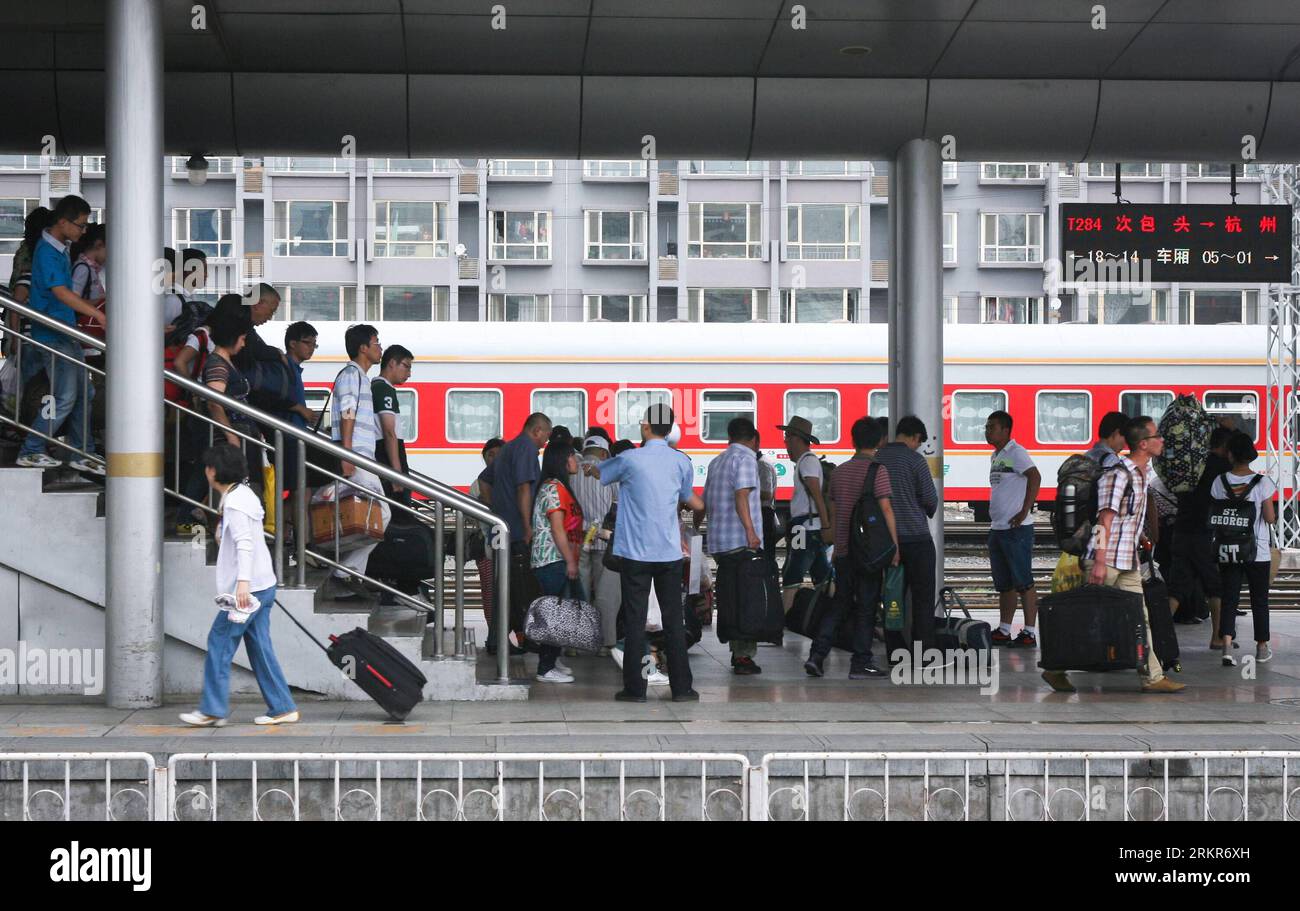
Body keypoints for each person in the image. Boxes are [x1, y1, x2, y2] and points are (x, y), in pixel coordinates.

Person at [1043, 416, 1185, 694]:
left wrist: (1140, 537)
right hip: (1105, 561)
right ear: (1143, 444)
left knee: (1140, 618)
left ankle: (1152, 677)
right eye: (1157, 437)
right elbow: (1103, 520)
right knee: (1087, 619)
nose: (1162, 440)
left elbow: (1125, 517)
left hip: (1127, 560)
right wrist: (1098, 561)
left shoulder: (1142, 475)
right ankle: (1054, 669)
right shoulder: (1118, 475)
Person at [584, 404, 704, 703]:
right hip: (669, 553)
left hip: (635, 554)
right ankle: (682, 689)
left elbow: (598, 472)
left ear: (647, 426)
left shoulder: (629, 459)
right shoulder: (681, 462)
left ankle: (635, 690)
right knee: (674, 621)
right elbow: (688, 498)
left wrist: (586, 467)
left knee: (636, 621)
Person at [179, 443, 298, 727]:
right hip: (262, 584)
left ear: (212, 471)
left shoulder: (234, 502)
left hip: (249, 591)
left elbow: (244, 544)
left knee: (219, 642)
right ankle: (282, 706)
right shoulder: (243, 495)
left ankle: (212, 709)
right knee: (259, 646)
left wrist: (242, 585)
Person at [803, 417, 899, 679]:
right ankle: (861, 662)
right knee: (867, 607)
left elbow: (835, 512)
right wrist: (895, 547)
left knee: (839, 604)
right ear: (879, 441)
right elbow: (886, 509)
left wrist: (835, 545)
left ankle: (816, 655)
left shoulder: (840, 472)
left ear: (853, 440)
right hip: (869, 553)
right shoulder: (878, 471)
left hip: (844, 551)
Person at [15, 195, 105, 474]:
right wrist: (99, 315)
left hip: (65, 331)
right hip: (52, 333)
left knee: (85, 392)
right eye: (80, 225)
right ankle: (32, 449)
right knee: (66, 395)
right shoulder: (47, 251)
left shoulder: (61, 248)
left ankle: (83, 452)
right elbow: (61, 293)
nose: (83, 231)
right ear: (63, 222)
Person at [326, 324, 391, 602]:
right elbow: (347, 412)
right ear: (363, 348)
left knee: (368, 517)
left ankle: (347, 571)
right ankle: (343, 572)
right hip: (358, 457)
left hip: (362, 457)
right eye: (376, 342)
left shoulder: (360, 377)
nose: (380, 348)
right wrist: (347, 454)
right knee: (381, 515)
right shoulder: (353, 375)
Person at [477, 412, 552, 652]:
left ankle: (496, 640)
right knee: (521, 589)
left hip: (502, 529)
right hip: (517, 532)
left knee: (504, 588)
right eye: (545, 437)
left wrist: (495, 511)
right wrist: (528, 526)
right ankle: (520, 639)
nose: (544, 444)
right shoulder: (526, 449)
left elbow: (484, 480)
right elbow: (523, 489)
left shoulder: (507, 449)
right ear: (537, 430)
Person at [872, 415, 940, 654]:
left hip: (888, 543)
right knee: (922, 601)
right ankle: (923, 653)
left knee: (892, 599)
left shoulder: (877, 459)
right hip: (918, 540)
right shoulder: (915, 460)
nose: (918, 446)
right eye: (918, 442)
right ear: (914, 437)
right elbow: (931, 500)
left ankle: (895, 652)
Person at [1210, 432, 1277, 665]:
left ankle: (1227, 646)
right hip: (1257, 550)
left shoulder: (1219, 482)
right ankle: (1261, 648)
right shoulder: (1263, 482)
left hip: (1228, 548)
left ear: (1230, 454)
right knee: (1260, 600)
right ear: (1251, 455)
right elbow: (1269, 518)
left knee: (1230, 598)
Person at [704, 417, 765, 675]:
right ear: (753, 439)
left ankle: (735, 649)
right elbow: (742, 495)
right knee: (747, 600)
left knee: (730, 597)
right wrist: (751, 532)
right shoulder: (747, 459)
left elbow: (705, 500)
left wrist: (697, 527)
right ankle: (743, 656)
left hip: (720, 543)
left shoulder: (716, 462)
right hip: (740, 542)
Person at [530, 429, 585, 683]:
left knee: (560, 612)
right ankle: (545, 668)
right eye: (573, 457)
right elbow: (557, 528)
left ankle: (551, 660)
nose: (577, 461)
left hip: (558, 558)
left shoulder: (560, 486)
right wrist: (571, 560)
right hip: (551, 559)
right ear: (563, 461)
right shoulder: (553, 488)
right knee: (554, 614)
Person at [1172, 425, 1232, 645]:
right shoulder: (1223, 467)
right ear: (1225, 446)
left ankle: (1160, 638)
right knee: (1216, 586)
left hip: (1181, 529)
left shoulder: (1193, 463)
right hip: (1204, 532)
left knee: (1178, 587)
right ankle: (1217, 637)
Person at [984, 410, 1040, 647]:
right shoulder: (995, 456)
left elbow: (1035, 477)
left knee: (1023, 582)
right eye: (987, 427)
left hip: (1016, 529)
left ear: (1006, 430)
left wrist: (1025, 510)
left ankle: (1029, 632)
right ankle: (1004, 629)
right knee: (1004, 584)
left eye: (992, 427)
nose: (987, 431)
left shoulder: (1017, 453)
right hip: (998, 527)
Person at [570, 434, 618, 651]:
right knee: (605, 595)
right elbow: (619, 503)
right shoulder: (610, 471)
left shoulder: (572, 472)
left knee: (580, 591)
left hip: (578, 538)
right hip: (604, 539)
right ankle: (604, 643)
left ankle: (576, 643)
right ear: (604, 453)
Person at [471, 438, 518, 655]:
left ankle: (499, 639)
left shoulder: (508, 480)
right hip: (488, 550)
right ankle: (495, 640)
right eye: (491, 455)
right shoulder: (477, 485)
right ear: (484, 458)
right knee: (492, 595)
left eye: (499, 454)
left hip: (505, 547)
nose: (495, 459)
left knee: (506, 595)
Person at [780, 415, 831, 586]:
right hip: (807, 527)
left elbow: (817, 495)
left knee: (791, 576)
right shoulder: (805, 461)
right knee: (822, 575)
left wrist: (826, 527)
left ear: (796, 439)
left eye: (787, 438)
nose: (785, 442)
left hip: (804, 529)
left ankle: (788, 612)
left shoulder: (807, 462)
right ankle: (831, 609)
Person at [372, 343, 413, 511]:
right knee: (398, 512)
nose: (409, 374)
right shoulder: (383, 389)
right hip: (387, 457)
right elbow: (389, 432)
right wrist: (396, 474)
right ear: (391, 363)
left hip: (383, 454)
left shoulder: (377, 387)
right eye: (406, 367)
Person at [756, 433, 780, 578]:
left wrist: (744, 492)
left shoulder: (762, 465)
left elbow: (767, 493)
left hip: (764, 513)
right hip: (762, 513)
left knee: (765, 554)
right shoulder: (760, 463)